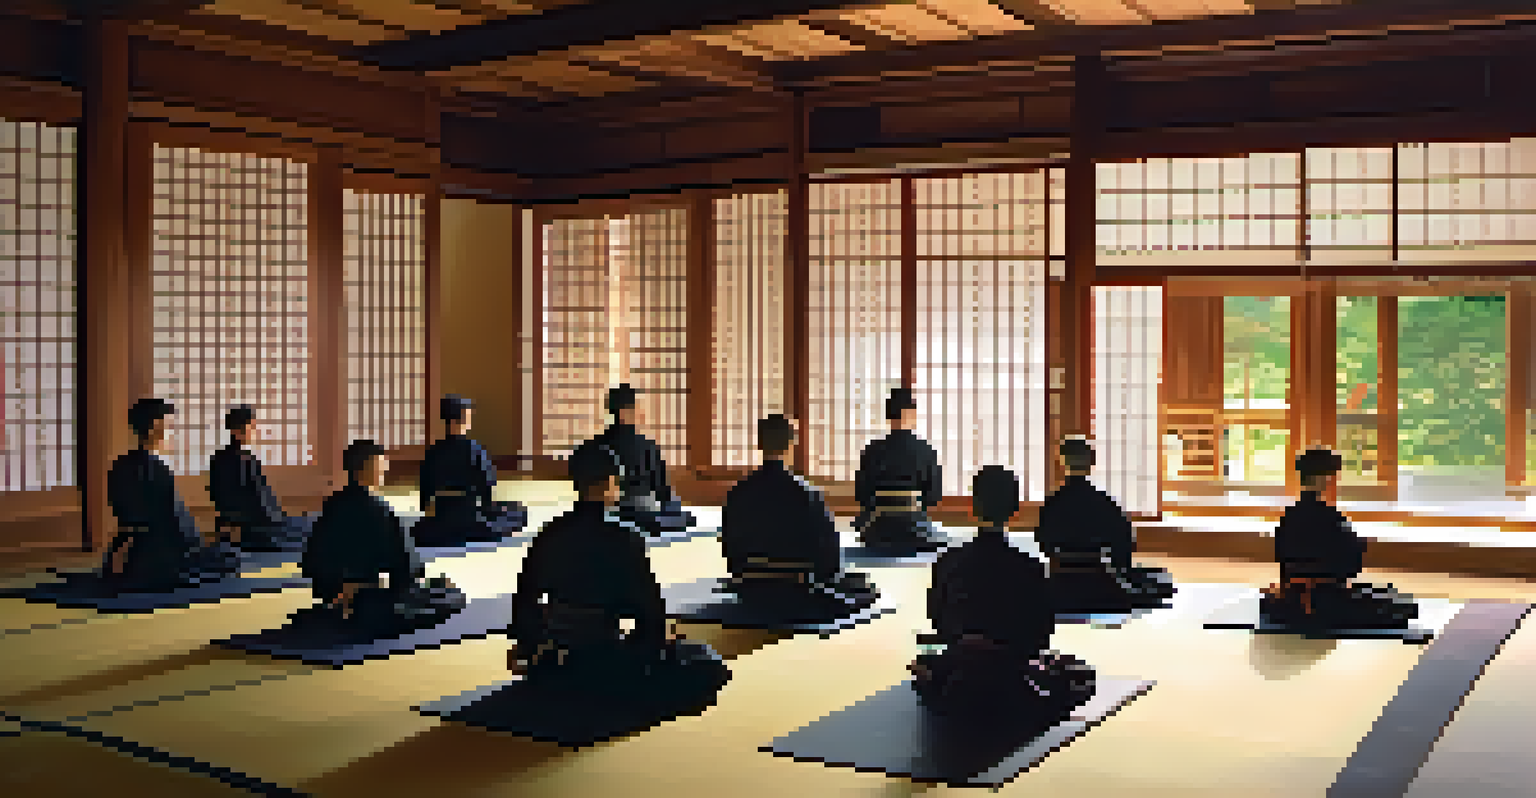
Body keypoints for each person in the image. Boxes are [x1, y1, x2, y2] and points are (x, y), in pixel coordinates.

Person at [507, 441, 729, 714]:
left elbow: (524, 598)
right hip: (609, 656)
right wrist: (654, 645)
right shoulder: (625, 537)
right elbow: (649, 612)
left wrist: (530, 647)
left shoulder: (548, 534)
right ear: (610, 482)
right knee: (707, 663)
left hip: (559, 655)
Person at [910, 466, 1096, 723]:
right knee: (1079, 675)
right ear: (1014, 509)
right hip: (1013, 676)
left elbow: (938, 621)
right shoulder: (1030, 567)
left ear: (973, 506)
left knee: (925, 664)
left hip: (960, 671)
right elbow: (1040, 635)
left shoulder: (948, 562)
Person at [298, 440, 466, 638]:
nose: (385, 469)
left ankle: (342, 606)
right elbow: (407, 569)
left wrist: (335, 586)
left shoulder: (332, 504)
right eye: (382, 463)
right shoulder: (381, 512)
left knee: (432, 590)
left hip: (331, 595)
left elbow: (311, 560)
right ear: (370, 467)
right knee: (450, 598)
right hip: (369, 600)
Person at [720, 414, 879, 622]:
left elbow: (729, 549)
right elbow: (828, 554)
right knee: (862, 587)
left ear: (759, 443)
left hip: (751, 587)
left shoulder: (737, 493)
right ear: (791, 444)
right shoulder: (808, 494)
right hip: (799, 589)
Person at [1261, 447, 1418, 630]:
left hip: (1292, 599)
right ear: (1324, 479)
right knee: (1402, 605)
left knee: (1385, 593)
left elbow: (1282, 560)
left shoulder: (1288, 517)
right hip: (1328, 601)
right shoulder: (1331, 517)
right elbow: (1352, 566)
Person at [101, 398, 242, 592]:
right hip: (162, 553)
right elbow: (175, 520)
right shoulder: (156, 468)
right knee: (229, 555)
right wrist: (196, 545)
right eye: (169, 427)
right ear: (154, 428)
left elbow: (121, 510)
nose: (172, 434)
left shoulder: (120, 464)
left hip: (131, 548)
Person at [1035, 437, 1176, 611]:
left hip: (1061, 581)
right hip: (1099, 579)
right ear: (1091, 461)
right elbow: (1123, 550)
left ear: (1062, 461)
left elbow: (1044, 545)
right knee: (1160, 580)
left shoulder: (1052, 504)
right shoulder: (1105, 504)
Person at [412, 395, 528, 547]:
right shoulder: (476, 451)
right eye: (467, 416)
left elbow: (425, 499)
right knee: (518, 512)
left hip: (442, 520)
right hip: (472, 520)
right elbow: (486, 494)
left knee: (418, 529)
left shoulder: (431, 453)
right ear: (458, 420)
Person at [588, 384, 696, 537]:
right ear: (625, 411)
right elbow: (661, 488)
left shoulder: (595, 445)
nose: (640, 413)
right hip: (639, 508)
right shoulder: (646, 446)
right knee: (685, 518)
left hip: (604, 509)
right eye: (636, 408)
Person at [207, 405, 315, 552]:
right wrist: (274, 517)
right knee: (310, 525)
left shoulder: (238, 459)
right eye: (251, 427)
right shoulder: (233, 461)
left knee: (311, 522)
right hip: (259, 526)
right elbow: (240, 501)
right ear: (237, 430)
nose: (254, 432)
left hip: (267, 520)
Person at [853, 387, 945, 552]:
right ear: (911, 414)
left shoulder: (871, 450)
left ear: (888, 415)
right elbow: (933, 498)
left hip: (877, 530)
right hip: (915, 529)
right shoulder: (926, 450)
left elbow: (861, 496)